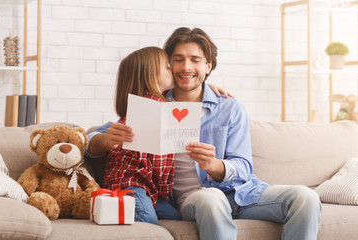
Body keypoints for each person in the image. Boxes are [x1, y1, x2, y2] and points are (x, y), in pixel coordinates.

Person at [87, 27, 322, 240]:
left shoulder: (229, 107)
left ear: (208, 66)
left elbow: (243, 167)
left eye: (195, 60)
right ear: (168, 66)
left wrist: (215, 165)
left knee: (306, 197)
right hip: (196, 199)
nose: (186, 67)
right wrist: (103, 140)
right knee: (211, 197)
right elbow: (92, 138)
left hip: (242, 193)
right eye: (178, 60)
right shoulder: (153, 104)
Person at [101, 46, 179, 225]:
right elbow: (161, 165)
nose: (172, 70)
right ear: (151, 75)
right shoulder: (156, 109)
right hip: (130, 183)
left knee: (174, 216)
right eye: (167, 67)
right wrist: (166, 194)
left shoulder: (140, 106)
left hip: (144, 186)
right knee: (146, 217)